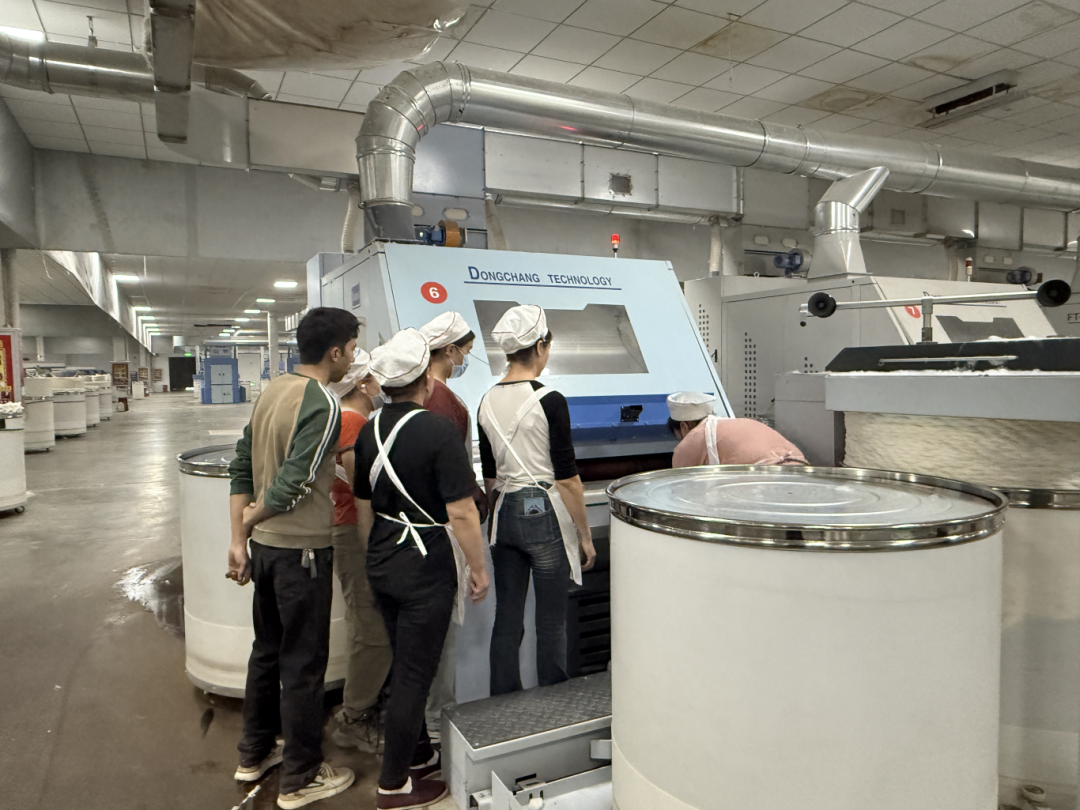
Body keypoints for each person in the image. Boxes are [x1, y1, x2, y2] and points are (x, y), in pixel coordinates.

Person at [353, 328, 491, 810]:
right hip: (425, 561)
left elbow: (363, 505)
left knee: (403, 663)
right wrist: (478, 567)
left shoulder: (368, 428)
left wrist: (374, 555)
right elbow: (462, 512)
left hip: (383, 555)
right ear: (425, 382)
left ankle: (416, 753)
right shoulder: (436, 431)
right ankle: (394, 785)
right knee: (416, 675)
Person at [227, 307, 359, 809]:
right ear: (334, 351)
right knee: (303, 665)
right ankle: (301, 777)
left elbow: (242, 464)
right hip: (302, 552)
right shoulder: (322, 403)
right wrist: (250, 521)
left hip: (265, 552)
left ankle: (255, 752)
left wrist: (239, 538)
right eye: (351, 349)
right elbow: (292, 484)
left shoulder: (272, 391)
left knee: (266, 652)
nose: (352, 359)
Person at [478, 305, 596, 697]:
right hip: (543, 511)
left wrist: (498, 516)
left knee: (507, 618)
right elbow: (568, 479)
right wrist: (584, 536)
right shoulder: (550, 400)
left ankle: (502, 701)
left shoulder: (485, 401)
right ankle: (553, 701)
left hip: (504, 511)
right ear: (542, 346)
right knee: (551, 620)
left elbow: (490, 475)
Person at [417, 311, 489, 739]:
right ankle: (435, 728)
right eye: (465, 351)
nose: (465, 359)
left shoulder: (410, 399)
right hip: (441, 528)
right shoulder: (444, 403)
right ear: (449, 350)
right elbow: (454, 480)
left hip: (409, 531)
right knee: (439, 638)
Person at [326, 351, 393, 754]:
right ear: (362, 383)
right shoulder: (352, 422)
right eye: (375, 376)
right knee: (373, 630)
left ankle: (358, 704)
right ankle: (355, 716)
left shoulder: (350, 419)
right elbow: (360, 487)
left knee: (364, 621)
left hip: (348, 527)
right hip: (354, 530)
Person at [667, 391, 808, 467]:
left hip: (768, 476)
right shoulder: (735, 422)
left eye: (679, 437)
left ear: (684, 426)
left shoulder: (694, 438)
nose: (681, 441)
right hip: (802, 467)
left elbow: (682, 485)